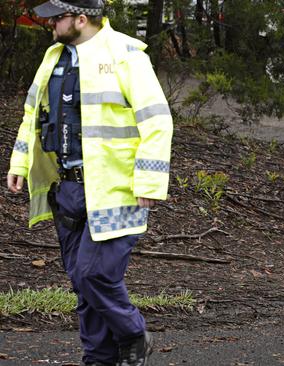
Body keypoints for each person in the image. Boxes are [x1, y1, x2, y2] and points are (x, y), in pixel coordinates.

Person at [6, 1, 173, 365]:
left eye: (57, 17)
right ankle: (98, 359)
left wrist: (149, 180)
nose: (49, 22)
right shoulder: (54, 57)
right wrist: (19, 162)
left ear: (81, 19)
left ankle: (132, 332)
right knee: (83, 285)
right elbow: (32, 115)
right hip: (66, 189)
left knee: (93, 274)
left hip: (115, 190)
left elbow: (157, 121)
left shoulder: (127, 55)